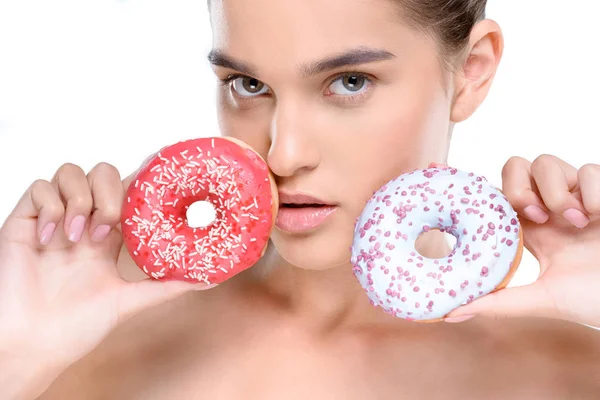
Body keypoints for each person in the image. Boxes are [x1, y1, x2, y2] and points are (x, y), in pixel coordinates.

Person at [2, 0, 600, 398]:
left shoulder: (570, 365)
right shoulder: (94, 330)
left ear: (471, 71)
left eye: (349, 82)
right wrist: (15, 357)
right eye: (249, 85)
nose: (283, 155)